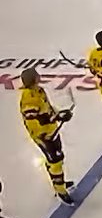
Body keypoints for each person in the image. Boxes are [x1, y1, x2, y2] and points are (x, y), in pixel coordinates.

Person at [18, 68, 76, 204]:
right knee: (55, 161)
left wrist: (60, 114)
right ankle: (60, 190)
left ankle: (58, 183)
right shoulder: (29, 98)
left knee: (58, 158)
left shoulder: (39, 91)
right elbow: (33, 121)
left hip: (51, 131)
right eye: (36, 75)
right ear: (33, 79)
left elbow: (47, 109)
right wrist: (44, 135)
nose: (39, 76)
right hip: (44, 135)